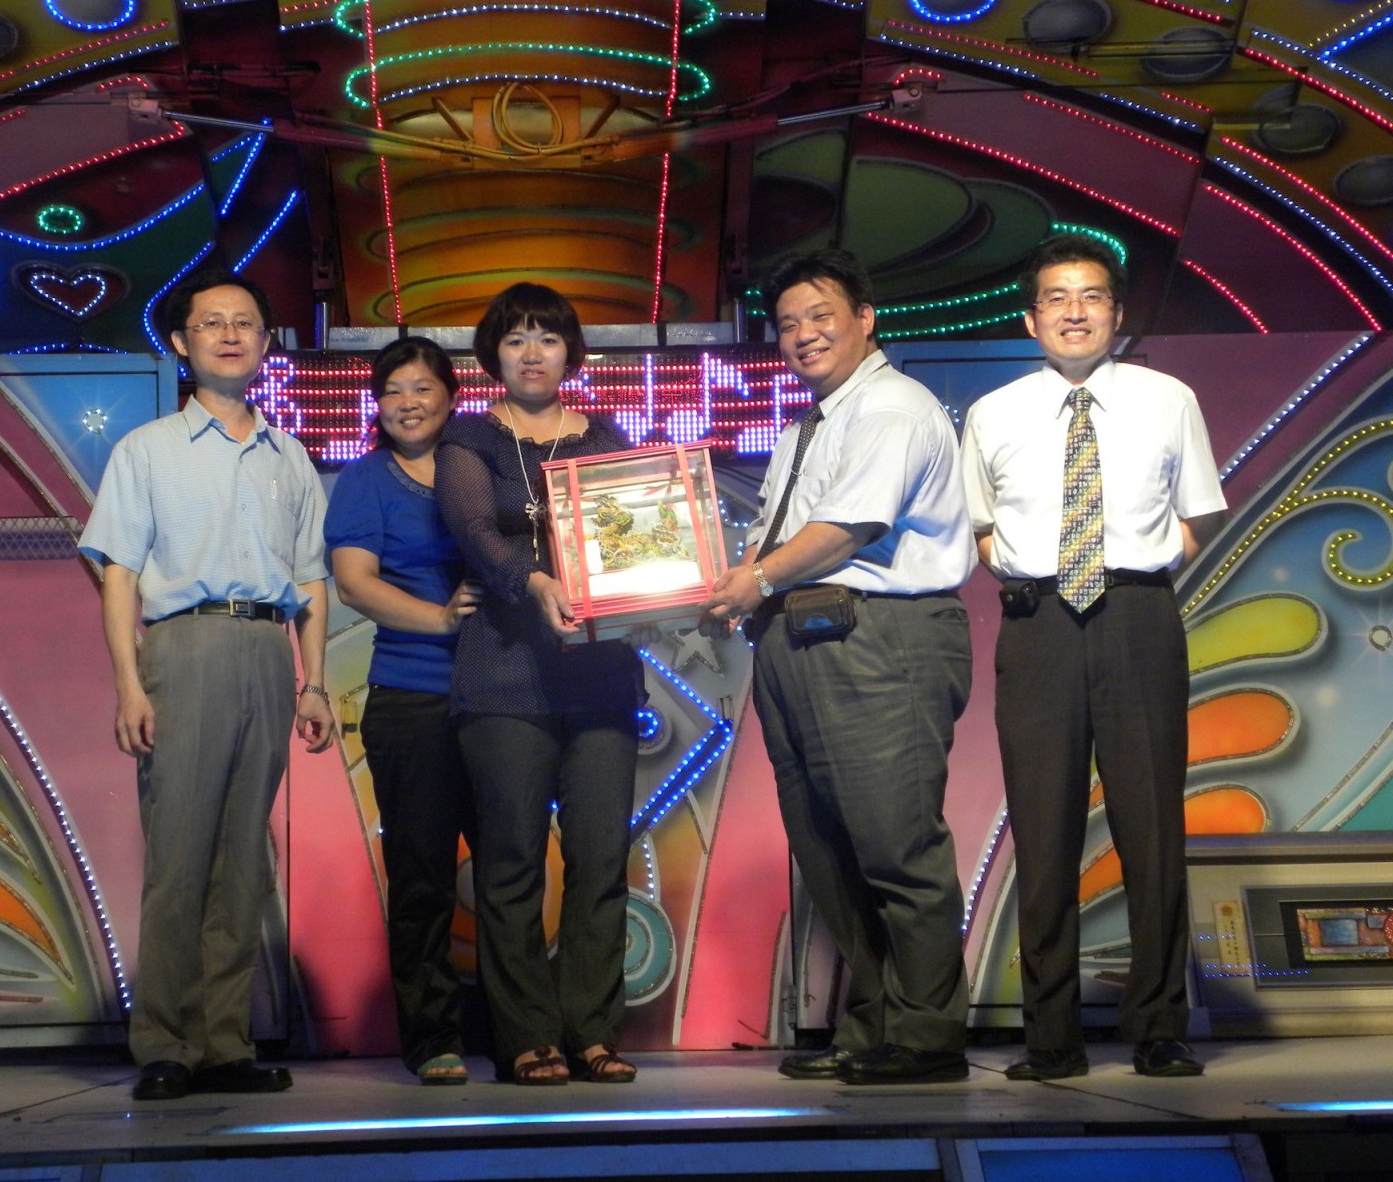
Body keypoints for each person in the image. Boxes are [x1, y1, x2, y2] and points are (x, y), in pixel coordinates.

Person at [702, 248, 976, 1085]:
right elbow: (779, 539)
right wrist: (739, 581)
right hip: (801, 638)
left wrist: (754, 580)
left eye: (821, 315)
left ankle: (927, 1038)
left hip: (877, 637)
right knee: (827, 846)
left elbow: (848, 528)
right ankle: (872, 1029)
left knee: (895, 841)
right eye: (788, 324)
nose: (804, 334)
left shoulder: (892, 407)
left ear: (865, 318)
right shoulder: (804, 427)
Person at [961, 233, 1226, 1081]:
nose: (1074, 312)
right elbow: (979, 527)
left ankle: (1159, 1026)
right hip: (1038, 623)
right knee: (1043, 833)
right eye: (1057, 298)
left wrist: (1141, 572)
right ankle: (1051, 1037)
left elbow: (1200, 514)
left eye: (1092, 296)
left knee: (1151, 826)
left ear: (1116, 312)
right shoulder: (993, 412)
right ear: (1031, 318)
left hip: (1137, 616)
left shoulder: (1168, 399)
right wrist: (1027, 574)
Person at [79, 267, 334, 1102]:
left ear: (265, 343)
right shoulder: (147, 449)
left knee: (242, 861)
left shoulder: (289, 455)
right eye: (212, 322)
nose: (230, 334)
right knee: (180, 854)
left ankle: (226, 1041)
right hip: (183, 648)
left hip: (267, 650)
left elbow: (311, 578)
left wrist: (314, 682)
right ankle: (166, 1042)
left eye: (245, 322)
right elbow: (118, 573)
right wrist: (129, 684)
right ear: (181, 343)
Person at [435, 282, 644, 1086]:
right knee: (512, 859)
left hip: (599, 676)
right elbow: (474, 531)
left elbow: (639, 537)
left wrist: (673, 589)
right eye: (516, 338)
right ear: (494, 354)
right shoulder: (469, 440)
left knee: (600, 857)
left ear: (570, 353)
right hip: (503, 673)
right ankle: (526, 1035)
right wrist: (531, 580)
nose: (532, 353)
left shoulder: (607, 436)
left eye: (548, 338)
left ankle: (593, 1032)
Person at [325, 337, 482, 1085]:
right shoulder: (365, 480)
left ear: (452, 396)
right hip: (411, 697)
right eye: (392, 391)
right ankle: (432, 1039)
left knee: (509, 872)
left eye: (422, 387)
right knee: (422, 876)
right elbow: (354, 583)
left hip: (500, 698)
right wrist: (441, 620)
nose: (408, 403)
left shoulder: (484, 469)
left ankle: (522, 1036)